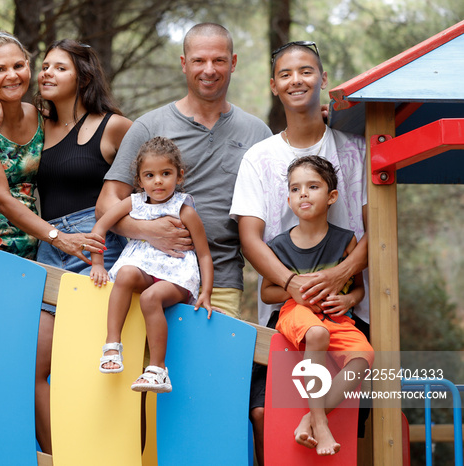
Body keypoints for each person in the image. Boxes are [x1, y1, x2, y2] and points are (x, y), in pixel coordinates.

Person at [0, 31, 105, 454]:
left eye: (18, 65)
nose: (12, 74)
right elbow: (1, 198)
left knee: (33, 362)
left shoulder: (40, 115)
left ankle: (52, 454)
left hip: (32, 256)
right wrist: (60, 237)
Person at [229, 41, 369, 465]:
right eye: (286, 74)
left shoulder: (354, 149)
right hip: (284, 315)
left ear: (323, 79)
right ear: (274, 85)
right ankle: (311, 422)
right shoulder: (259, 157)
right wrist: (291, 283)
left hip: (345, 311)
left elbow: (376, 227)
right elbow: (249, 237)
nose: (297, 80)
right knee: (263, 412)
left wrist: (340, 275)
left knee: (356, 416)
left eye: (307, 71)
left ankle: (317, 421)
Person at [96, 23, 272, 319]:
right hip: (153, 274)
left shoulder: (257, 133)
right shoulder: (149, 126)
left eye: (219, 60)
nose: (209, 70)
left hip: (221, 281)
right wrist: (147, 230)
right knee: (151, 365)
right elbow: (106, 202)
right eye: (199, 60)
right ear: (183, 64)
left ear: (234, 62)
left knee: (211, 366)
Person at [261, 155, 373, 455]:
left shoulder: (345, 241)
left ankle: (310, 417)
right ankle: (321, 425)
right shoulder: (279, 246)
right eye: (295, 189)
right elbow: (267, 293)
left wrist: (347, 299)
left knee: (364, 356)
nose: (303, 194)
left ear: (331, 196)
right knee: (317, 335)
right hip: (295, 315)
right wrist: (293, 293)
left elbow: (359, 289)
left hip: (337, 319)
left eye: (312, 186)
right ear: (288, 199)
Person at [90, 137, 213, 393]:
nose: (158, 181)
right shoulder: (133, 203)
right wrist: (98, 264)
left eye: (165, 173)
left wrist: (206, 293)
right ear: (139, 180)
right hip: (144, 270)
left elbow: (203, 255)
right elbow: (100, 226)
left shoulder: (184, 210)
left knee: (150, 298)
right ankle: (112, 345)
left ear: (179, 176)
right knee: (124, 274)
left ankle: (158, 370)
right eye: (150, 175)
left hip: (175, 277)